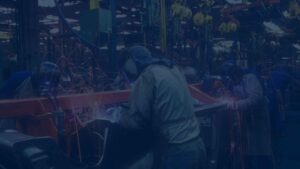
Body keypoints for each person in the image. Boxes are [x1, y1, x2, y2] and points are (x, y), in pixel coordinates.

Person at [117, 46, 206, 169]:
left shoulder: (148, 75)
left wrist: (120, 116)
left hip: (177, 150)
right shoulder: (172, 68)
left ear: (130, 63)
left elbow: (136, 120)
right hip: (197, 145)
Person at [222, 64, 274, 169]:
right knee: (249, 147)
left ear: (237, 75)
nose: (233, 81)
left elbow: (255, 99)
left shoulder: (250, 79)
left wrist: (235, 105)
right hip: (249, 117)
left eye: (233, 78)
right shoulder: (235, 82)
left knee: (262, 146)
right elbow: (235, 95)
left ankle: (265, 166)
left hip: (259, 116)